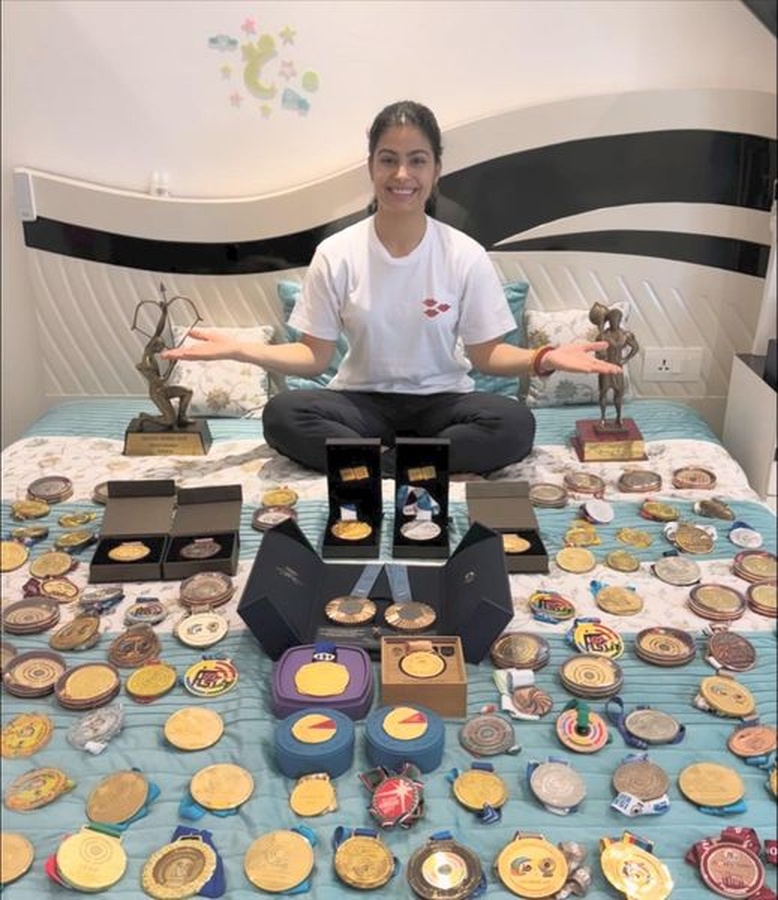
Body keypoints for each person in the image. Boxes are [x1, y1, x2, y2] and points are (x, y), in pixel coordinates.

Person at [162, 100, 621, 474]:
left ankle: (373, 464)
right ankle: (416, 464)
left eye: (417, 161)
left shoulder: (464, 255)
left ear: (436, 169)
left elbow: (487, 357)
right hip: (359, 406)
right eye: (389, 160)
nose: (402, 175)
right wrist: (241, 351)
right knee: (283, 415)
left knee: (514, 424)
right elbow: (313, 358)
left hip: (444, 403)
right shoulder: (337, 253)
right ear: (371, 167)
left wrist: (543, 358)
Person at [588, 302, 639, 429]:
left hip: (617, 367)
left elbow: (635, 348)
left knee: (619, 393)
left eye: (617, 320)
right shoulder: (603, 336)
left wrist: (625, 359)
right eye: (612, 320)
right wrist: (601, 356)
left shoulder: (625, 335)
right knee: (604, 392)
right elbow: (597, 354)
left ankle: (618, 417)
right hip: (605, 368)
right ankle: (603, 418)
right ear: (609, 321)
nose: (614, 322)